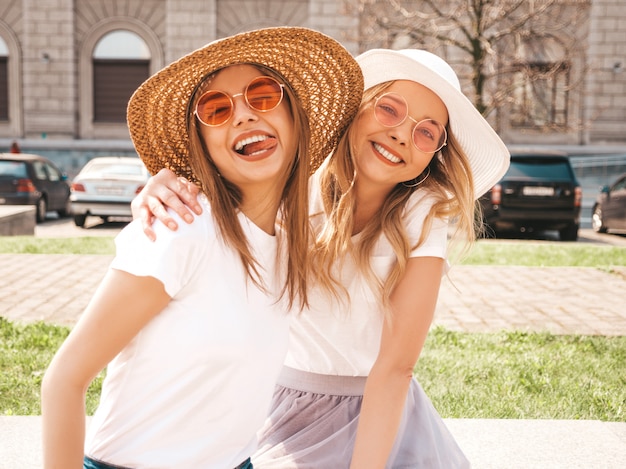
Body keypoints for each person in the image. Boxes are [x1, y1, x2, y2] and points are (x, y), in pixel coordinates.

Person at [131, 48, 510, 468]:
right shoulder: (292, 185)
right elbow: (220, 179)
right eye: (388, 109)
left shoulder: (422, 214)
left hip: (383, 416)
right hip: (281, 408)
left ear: (435, 153)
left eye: (427, 132)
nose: (403, 134)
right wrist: (163, 183)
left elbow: (395, 368)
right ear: (355, 110)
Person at [41, 27, 363, 469]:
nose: (244, 116)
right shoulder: (181, 228)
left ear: (295, 116)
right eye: (216, 109)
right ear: (205, 148)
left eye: (263, 95)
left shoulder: (289, 241)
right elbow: (64, 379)